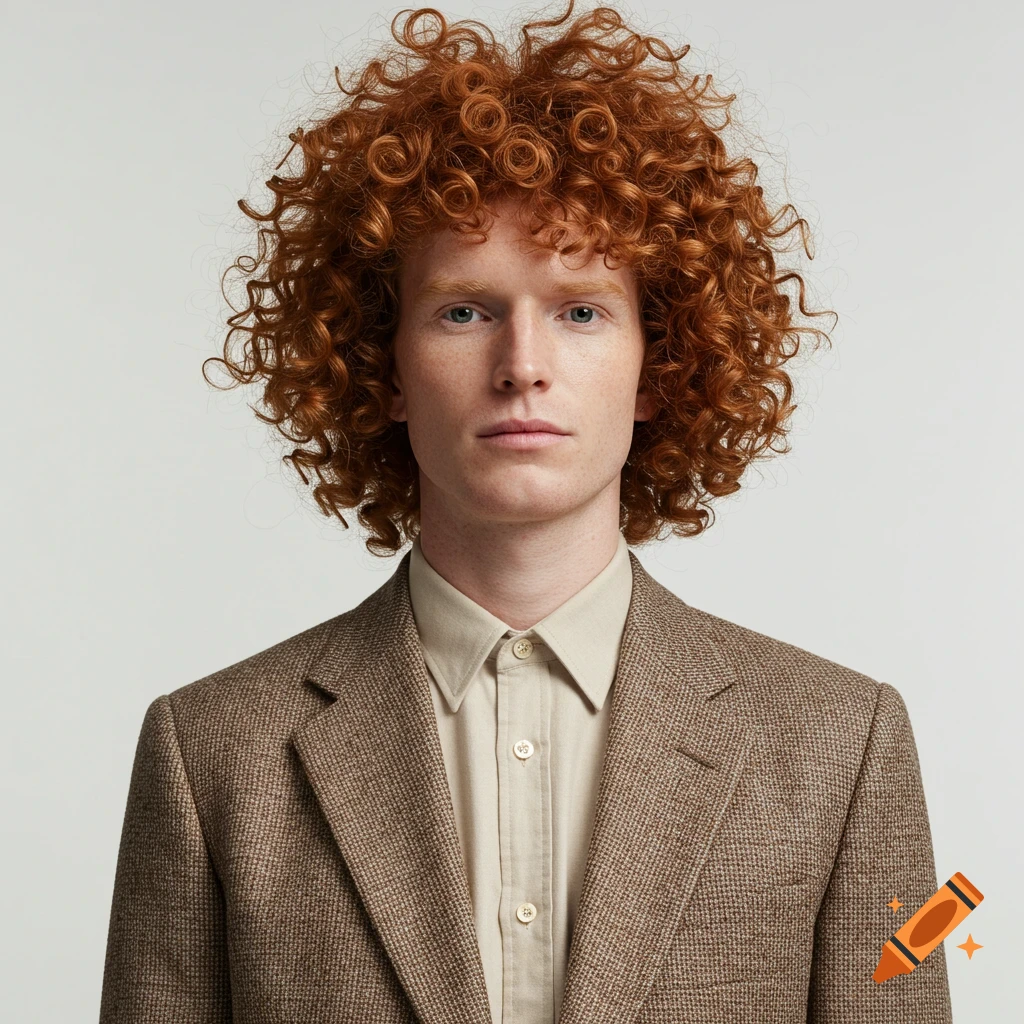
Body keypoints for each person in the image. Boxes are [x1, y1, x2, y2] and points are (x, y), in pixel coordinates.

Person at [98, 3, 952, 1022]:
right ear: (387, 365)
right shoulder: (211, 757)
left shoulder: (839, 748)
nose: (523, 368)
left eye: (581, 309)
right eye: (465, 309)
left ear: (657, 362)